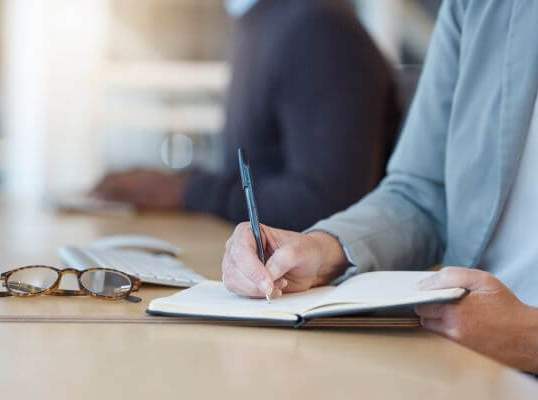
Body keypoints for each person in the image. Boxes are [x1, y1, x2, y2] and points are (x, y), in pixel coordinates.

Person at [221, 0, 538, 374]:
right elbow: (422, 192)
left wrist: (529, 339)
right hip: (461, 356)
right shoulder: (480, 7)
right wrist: (322, 249)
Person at [93, 0, 401, 231]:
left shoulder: (318, 28)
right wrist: (174, 184)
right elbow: (255, 171)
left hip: (306, 301)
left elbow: (328, 203)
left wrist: (187, 191)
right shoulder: (263, 22)